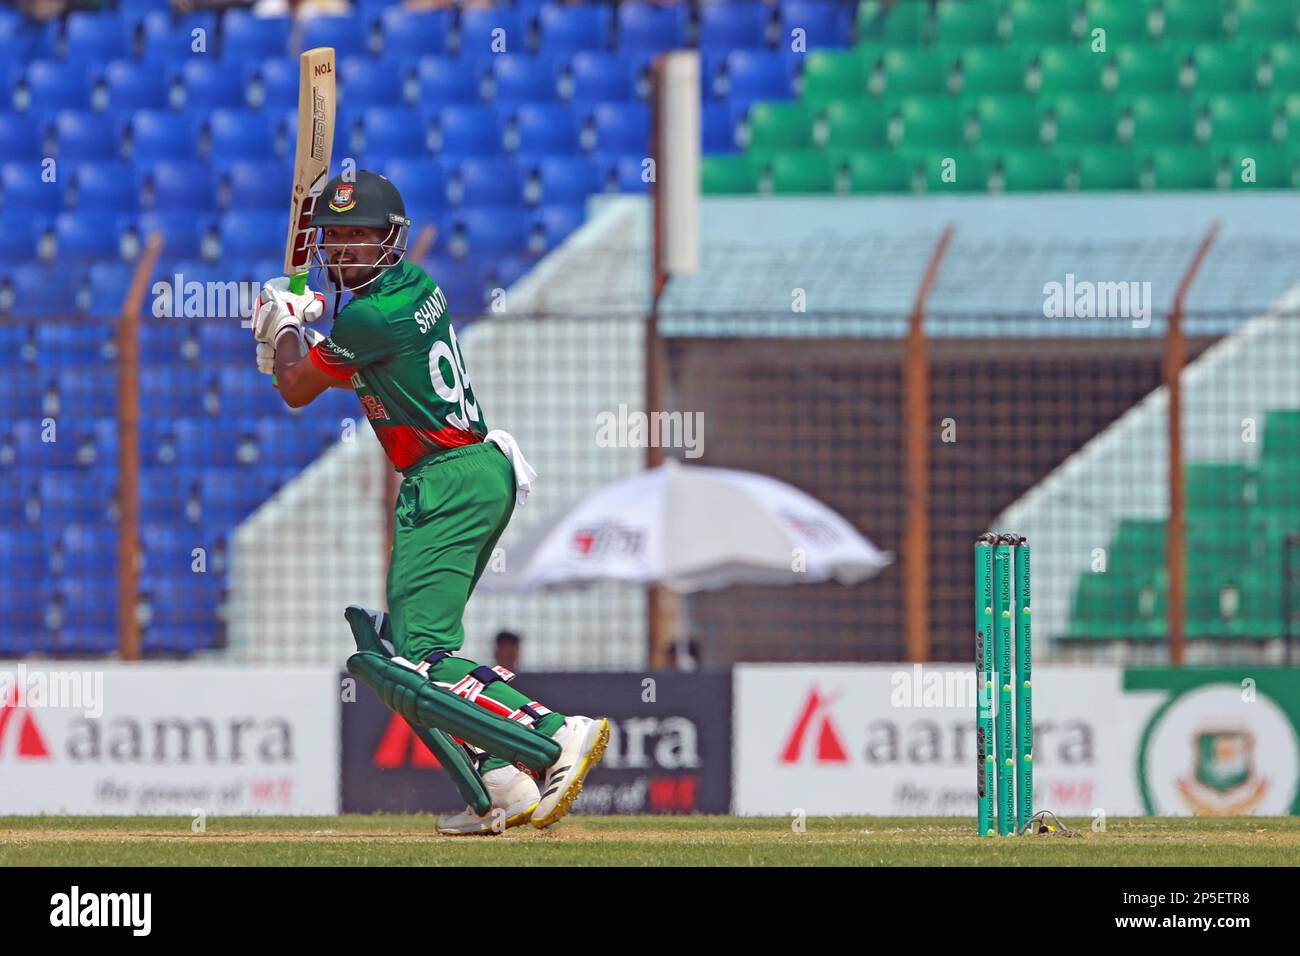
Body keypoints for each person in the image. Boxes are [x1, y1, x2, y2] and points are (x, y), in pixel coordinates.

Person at [251, 170, 609, 835]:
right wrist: (293, 333)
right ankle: (503, 787)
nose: (346, 250)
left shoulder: (371, 314)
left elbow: (297, 388)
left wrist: (282, 326)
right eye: (335, 238)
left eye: (361, 236)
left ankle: (557, 733)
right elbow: (326, 365)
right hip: (475, 471)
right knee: (405, 657)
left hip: (444, 482)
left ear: (392, 240)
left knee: (419, 660)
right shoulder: (414, 289)